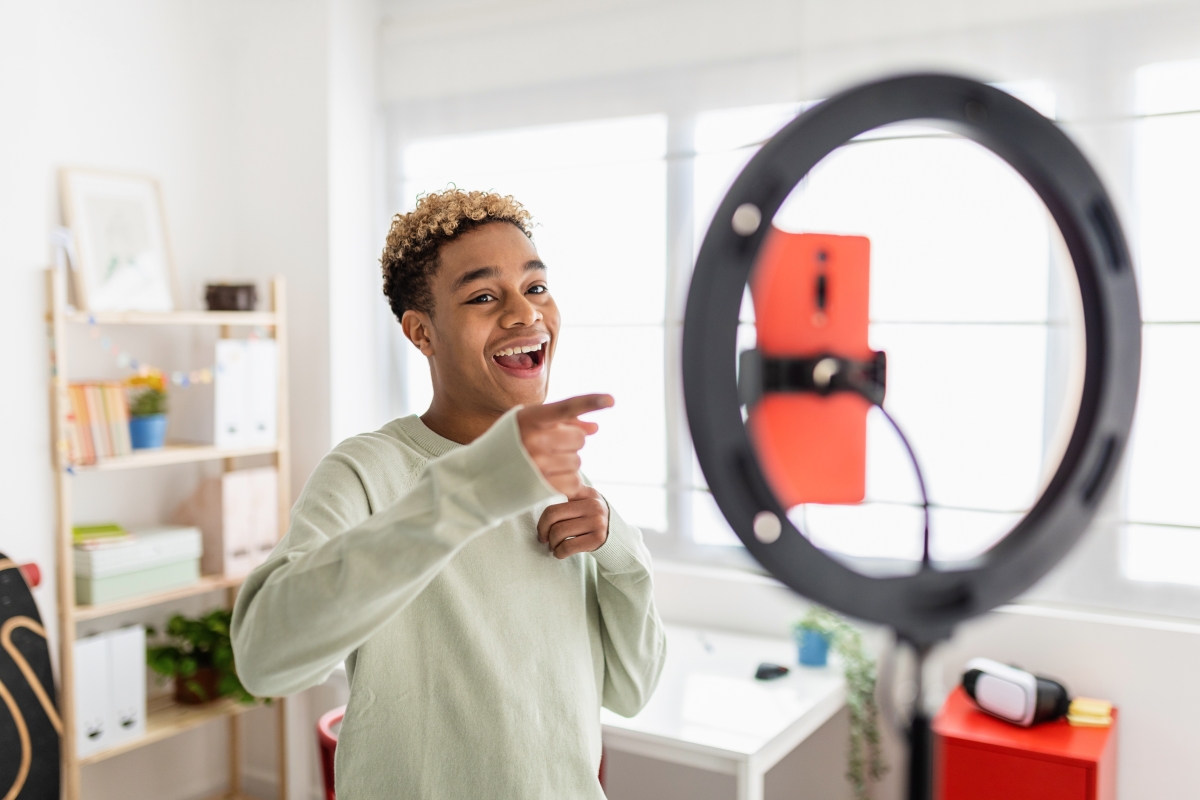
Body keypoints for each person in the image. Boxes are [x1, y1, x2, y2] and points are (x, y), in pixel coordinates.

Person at [231, 188, 667, 799]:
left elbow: (632, 690)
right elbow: (264, 659)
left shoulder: (559, 478)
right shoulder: (366, 472)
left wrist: (617, 547)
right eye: (484, 296)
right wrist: (470, 492)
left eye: (536, 286)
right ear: (422, 333)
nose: (524, 313)